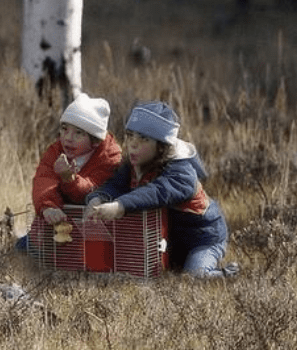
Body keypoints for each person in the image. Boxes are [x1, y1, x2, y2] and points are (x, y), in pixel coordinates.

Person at [85, 101, 237, 278]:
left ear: (161, 146)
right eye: (130, 136)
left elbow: (157, 192)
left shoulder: (181, 172)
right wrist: (98, 198)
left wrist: (120, 205)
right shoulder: (134, 165)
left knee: (194, 275)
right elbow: (115, 185)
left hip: (203, 239)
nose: (133, 144)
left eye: (144, 139)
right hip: (171, 240)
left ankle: (226, 274)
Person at [16, 93, 122, 252]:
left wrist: (70, 179)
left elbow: (92, 192)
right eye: (64, 129)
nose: (68, 138)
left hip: (94, 225)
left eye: (78, 133)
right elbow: (44, 180)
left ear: (94, 141)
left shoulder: (109, 157)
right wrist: (48, 206)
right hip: (58, 221)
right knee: (24, 248)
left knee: (86, 256)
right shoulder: (56, 151)